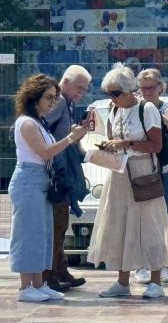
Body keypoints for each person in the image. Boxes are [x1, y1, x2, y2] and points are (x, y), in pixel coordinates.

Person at [88, 64, 168, 299]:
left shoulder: (147, 109)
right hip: (119, 173)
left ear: (128, 91)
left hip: (143, 171)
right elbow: (114, 141)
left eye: (115, 93)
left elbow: (156, 145)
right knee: (120, 225)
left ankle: (156, 280)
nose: (111, 98)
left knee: (150, 225)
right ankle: (122, 281)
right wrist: (105, 148)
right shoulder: (114, 111)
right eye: (108, 94)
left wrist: (125, 144)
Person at [10, 74, 88, 302]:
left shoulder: (39, 122)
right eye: (48, 98)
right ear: (34, 98)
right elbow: (44, 151)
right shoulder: (26, 122)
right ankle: (26, 287)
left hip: (41, 181)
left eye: (54, 98)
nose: (52, 103)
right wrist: (71, 138)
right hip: (28, 180)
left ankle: (38, 282)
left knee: (42, 234)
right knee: (28, 235)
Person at [41, 64, 91, 292]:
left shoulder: (66, 102)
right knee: (57, 223)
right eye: (78, 87)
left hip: (59, 169)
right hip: (55, 171)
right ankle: (50, 273)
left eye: (84, 89)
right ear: (66, 82)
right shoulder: (59, 101)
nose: (81, 92)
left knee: (60, 222)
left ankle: (59, 269)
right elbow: (44, 128)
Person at [135, 69, 168, 285]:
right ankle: (141, 265)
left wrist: (151, 110)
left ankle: (163, 265)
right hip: (144, 170)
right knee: (143, 220)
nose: (147, 92)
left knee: (166, 220)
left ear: (161, 87)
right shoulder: (135, 108)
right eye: (143, 88)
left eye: (152, 87)